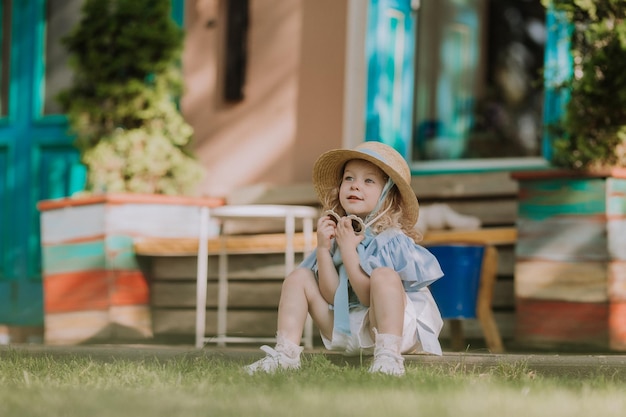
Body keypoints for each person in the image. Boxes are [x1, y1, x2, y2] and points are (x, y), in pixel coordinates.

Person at [245, 141, 444, 376]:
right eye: (349, 178)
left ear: (387, 196)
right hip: (349, 328)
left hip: (393, 328)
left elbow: (368, 298)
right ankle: (285, 355)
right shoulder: (342, 232)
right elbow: (331, 294)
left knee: (384, 275)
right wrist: (323, 248)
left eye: (368, 181)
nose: (355, 186)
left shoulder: (391, 239)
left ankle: (389, 358)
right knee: (299, 277)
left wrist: (349, 252)